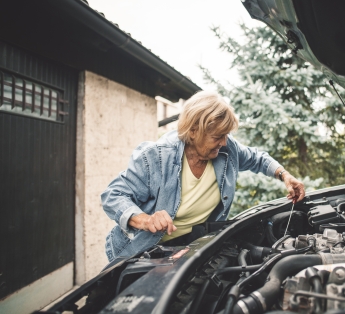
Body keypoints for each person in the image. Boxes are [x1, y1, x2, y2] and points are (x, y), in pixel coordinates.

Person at [101, 91, 305, 261]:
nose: (224, 143)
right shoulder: (156, 157)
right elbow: (113, 196)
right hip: (141, 252)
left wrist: (284, 175)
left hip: (188, 250)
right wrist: (145, 220)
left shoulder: (227, 149)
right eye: (217, 137)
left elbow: (257, 158)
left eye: (226, 136)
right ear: (193, 131)